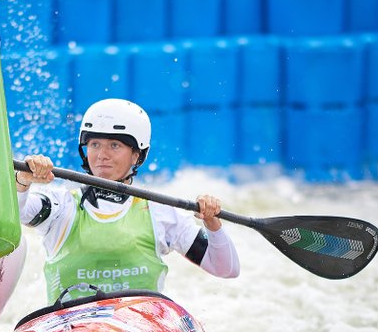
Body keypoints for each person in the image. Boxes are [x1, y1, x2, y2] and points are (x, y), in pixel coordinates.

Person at [14, 98, 239, 303]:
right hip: (72, 327)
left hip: (140, 329)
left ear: (137, 155)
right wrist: (22, 181)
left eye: (114, 145)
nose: (102, 154)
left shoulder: (159, 211)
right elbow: (15, 213)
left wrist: (213, 224)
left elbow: (226, 268)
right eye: (94, 144)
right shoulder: (61, 205)